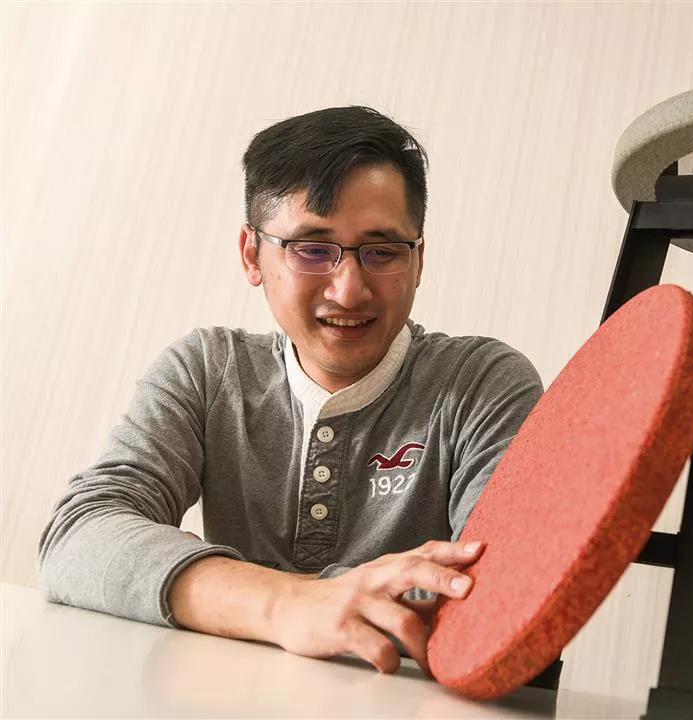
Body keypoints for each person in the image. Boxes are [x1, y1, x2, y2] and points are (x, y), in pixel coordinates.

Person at [37, 106, 544, 676]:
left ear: (418, 259)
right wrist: (288, 603)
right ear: (252, 255)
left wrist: (274, 599)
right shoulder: (207, 370)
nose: (349, 291)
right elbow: (79, 536)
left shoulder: (482, 384)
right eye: (311, 249)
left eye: (382, 251)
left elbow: (501, 598)